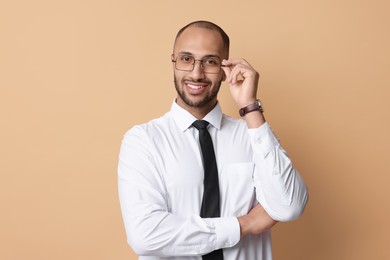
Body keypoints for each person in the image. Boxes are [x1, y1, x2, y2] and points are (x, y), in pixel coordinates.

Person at [118, 20, 308, 260]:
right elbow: (145, 235)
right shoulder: (143, 140)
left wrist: (250, 107)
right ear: (174, 62)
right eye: (186, 59)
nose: (196, 74)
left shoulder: (252, 134)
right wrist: (245, 224)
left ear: (225, 67)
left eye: (210, 61)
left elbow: (289, 205)